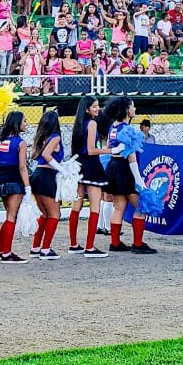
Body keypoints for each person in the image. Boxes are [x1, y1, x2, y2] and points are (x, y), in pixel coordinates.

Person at [103, 97, 157, 254]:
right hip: (125, 169)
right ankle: (138, 244)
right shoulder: (129, 130)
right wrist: (140, 182)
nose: (135, 109)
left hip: (113, 167)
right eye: (133, 106)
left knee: (118, 207)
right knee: (141, 205)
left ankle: (115, 242)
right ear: (127, 110)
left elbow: (108, 147)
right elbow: (132, 158)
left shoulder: (112, 127)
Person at [68, 95, 111, 258]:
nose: (97, 109)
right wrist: (110, 150)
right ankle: (90, 247)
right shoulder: (92, 123)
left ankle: (73, 244)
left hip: (79, 165)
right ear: (87, 109)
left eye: (98, 106)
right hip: (92, 166)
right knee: (95, 206)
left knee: (76, 205)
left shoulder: (78, 124)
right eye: (94, 106)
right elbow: (92, 149)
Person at [28, 111, 67, 260]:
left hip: (37, 175)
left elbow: (35, 155)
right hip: (47, 177)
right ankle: (45, 249)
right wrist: (62, 169)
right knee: (55, 214)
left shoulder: (41, 137)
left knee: (44, 214)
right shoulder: (55, 137)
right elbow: (46, 155)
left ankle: (36, 247)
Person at [0, 111, 30, 263]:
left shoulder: (2, 141)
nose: (26, 124)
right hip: (15, 178)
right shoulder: (20, 143)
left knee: (8, 214)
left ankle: (0, 249)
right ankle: (7, 254)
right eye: (25, 121)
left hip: (2, 177)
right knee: (11, 216)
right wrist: (27, 187)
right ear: (17, 124)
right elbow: (22, 167)